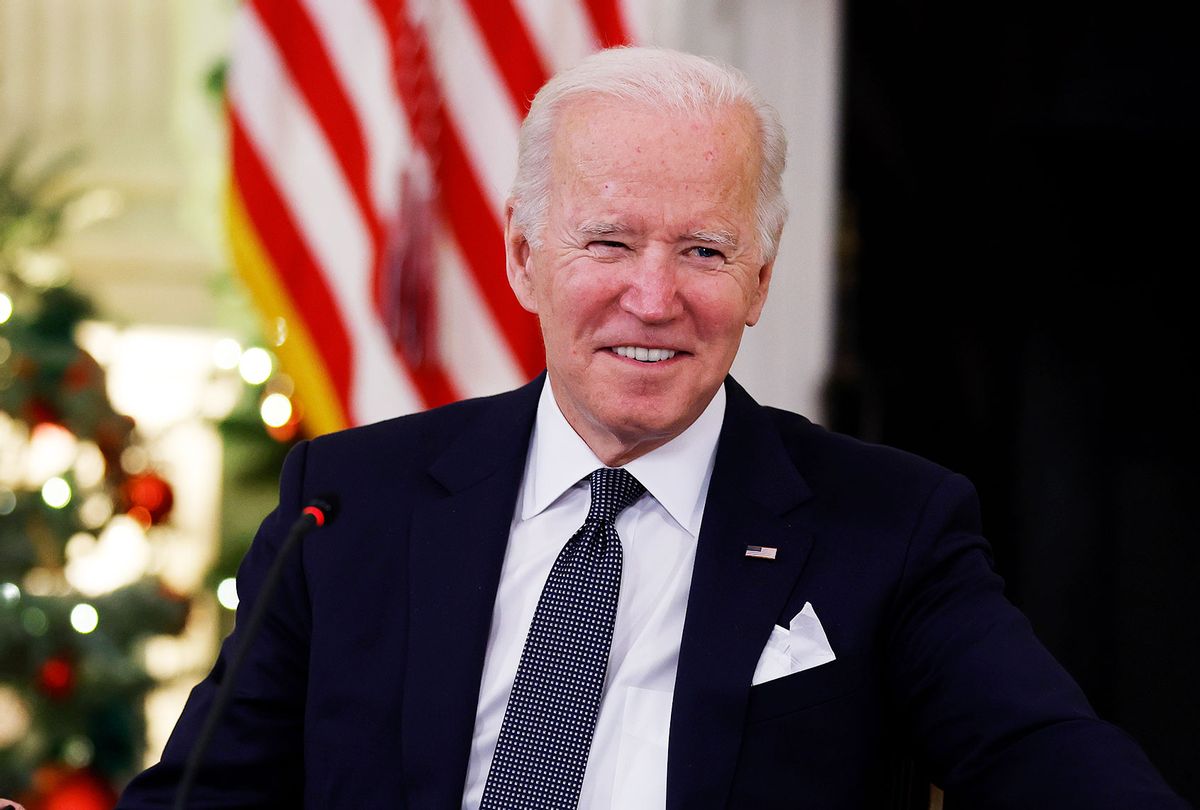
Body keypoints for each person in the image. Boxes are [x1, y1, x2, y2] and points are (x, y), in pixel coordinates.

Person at [118, 47, 1188, 809]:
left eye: (706, 252)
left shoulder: (891, 528)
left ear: (762, 279)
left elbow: (1052, 762)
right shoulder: (346, 503)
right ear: (522, 256)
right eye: (609, 241)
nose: (653, 296)